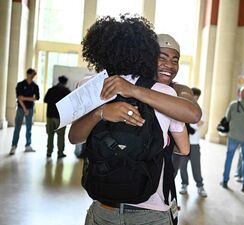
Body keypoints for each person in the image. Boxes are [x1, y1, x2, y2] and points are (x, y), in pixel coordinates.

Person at [68, 14, 190, 225]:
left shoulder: (89, 86)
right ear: (146, 53)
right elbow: (185, 149)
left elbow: (74, 137)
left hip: (103, 206)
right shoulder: (163, 93)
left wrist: (101, 113)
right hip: (151, 209)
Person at [220, 87, 244, 192]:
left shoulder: (233, 105)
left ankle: (225, 180)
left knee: (229, 159)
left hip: (233, 136)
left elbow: (227, 118)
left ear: (240, 94)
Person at [177, 88, 207, 197]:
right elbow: (186, 122)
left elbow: (200, 123)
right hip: (183, 141)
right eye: (194, 96)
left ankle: (200, 186)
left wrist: (189, 122)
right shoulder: (185, 108)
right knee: (182, 166)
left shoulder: (201, 109)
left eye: (197, 97)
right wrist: (193, 122)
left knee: (196, 166)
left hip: (194, 143)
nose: (196, 99)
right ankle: (184, 184)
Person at [9, 68, 40, 155]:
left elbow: (37, 98)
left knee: (29, 128)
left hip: (30, 109)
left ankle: (28, 145)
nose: (33, 76)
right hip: (21, 108)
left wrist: (25, 98)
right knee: (17, 128)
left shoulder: (35, 86)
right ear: (28, 74)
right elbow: (19, 98)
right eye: (32, 74)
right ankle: (14, 146)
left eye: (34, 75)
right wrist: (25, 108)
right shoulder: (20, 84)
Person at [44, 75, 71, 158]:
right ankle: (60, 153)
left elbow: (45, 100)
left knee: (50, 135)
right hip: (60, 118)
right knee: (61, 136)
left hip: (50, 116)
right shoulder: (66, 91)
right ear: (66, 82)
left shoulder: (51, 90)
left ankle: (49, 152)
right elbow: (70, 104)